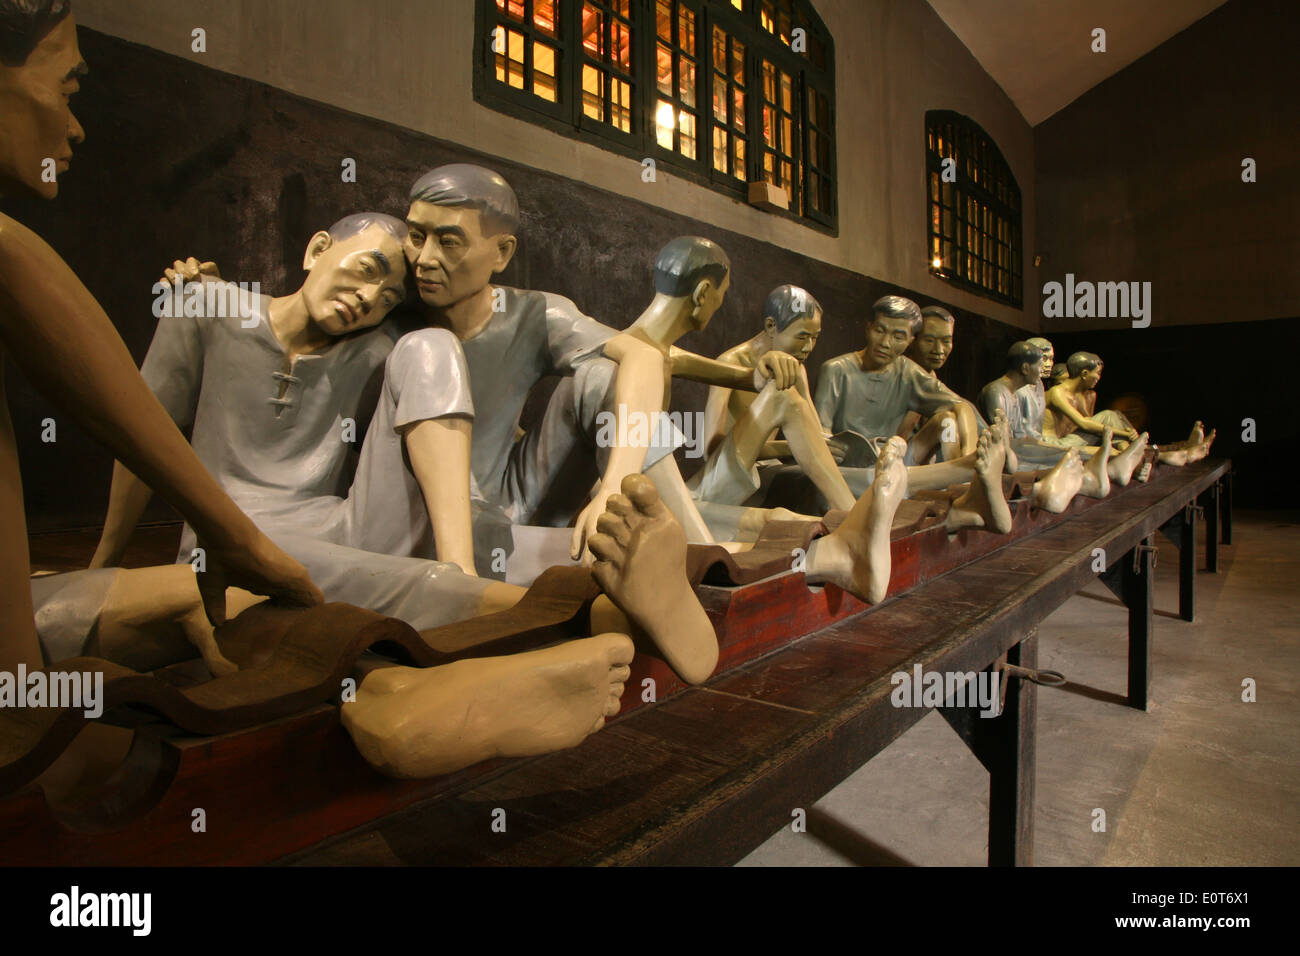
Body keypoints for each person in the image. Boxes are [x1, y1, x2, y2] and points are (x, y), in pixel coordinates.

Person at [814, 295, 979, 465]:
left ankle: (958, 471)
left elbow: (961, 405)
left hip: (891, 459)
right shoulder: (836, 370)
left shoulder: (909, 373)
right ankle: (957, 473)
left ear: (910, 341)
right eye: (879, 331)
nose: (885, 343)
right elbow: (821, 428)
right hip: (847, 463)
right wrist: (828, 447)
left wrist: (969, 451)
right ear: (868, 328)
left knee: (947, 420)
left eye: (898, 337)